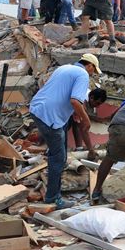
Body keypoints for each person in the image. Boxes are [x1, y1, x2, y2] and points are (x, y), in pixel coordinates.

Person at [30, 53, 101, 209]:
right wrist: (86, 118)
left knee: (57, 149)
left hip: (37, 108)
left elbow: (61, 93)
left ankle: (51, 176)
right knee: (59, 158)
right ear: (89, 66)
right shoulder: (82, 74)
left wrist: (76, 111)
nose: (92, 74)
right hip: (51, 117)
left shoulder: (64, 68)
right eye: (93, 71)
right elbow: (75, 100)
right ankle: (53, 198)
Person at [69, 88, 107, 159]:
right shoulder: (81, 101)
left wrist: (100, 119)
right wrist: (91, 149)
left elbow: (89, 115)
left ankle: (78, 147)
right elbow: (83, 129)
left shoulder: (91, 99)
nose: (98, 106)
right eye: (97, 103)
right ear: (92, 98)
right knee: (69, 124)